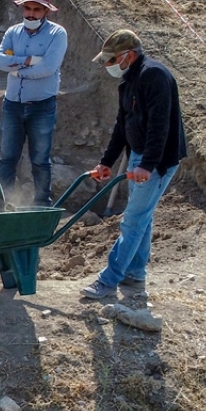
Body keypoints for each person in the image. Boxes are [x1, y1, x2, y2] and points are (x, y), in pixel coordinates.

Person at [82, 29, 188, 299]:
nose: (108, 66)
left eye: (110, 60)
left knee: (133, 221)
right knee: (142, 219)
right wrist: (107, 161)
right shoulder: (129, 80)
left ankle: (108, 281)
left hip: (157, 160)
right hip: (139, 156)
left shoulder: (153, 76)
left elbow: (159, 125)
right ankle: (135, 275)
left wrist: (148, 164)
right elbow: (122, 124)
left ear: (128, 55)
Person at [0, 0, 69, 206]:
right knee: (7, 158)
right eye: (28, 9)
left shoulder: (57, 34)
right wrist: (28, 61)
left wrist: (14, 68)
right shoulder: (12, 32)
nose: (31, 13)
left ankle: (41, 204)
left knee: (40, 159)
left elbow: (48, 68)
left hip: (42, 106)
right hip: (12, 104)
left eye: (37, 9)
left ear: (46, 11)